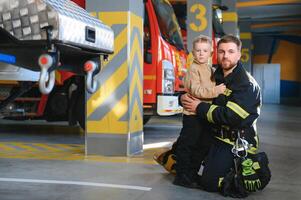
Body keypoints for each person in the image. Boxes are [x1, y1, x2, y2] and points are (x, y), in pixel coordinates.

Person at [181, 34, 262, 193]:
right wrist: (181, 98)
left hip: (235, 141)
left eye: (231, 51)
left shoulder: (246, 83)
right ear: (216, 53)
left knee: (210, 183)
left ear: (239, 54)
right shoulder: (214, 75)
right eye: (222, 51)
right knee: (184, 145)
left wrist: (199, 107)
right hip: (214, 134)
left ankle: (246, 166)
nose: (225, 56)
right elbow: (199, 92)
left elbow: (230, 116)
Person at [172, 35, 226, 188]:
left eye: (205, 51)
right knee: (188, 144)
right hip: (192, 116)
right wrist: (216, 91)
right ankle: (181, 176)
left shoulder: (210, 69)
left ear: (210, 54)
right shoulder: (193, 70)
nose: (201, 53)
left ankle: (192, 173)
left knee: (202, 145)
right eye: (198, 50)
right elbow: (196, 90)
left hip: (205, 115)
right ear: (193, 53)